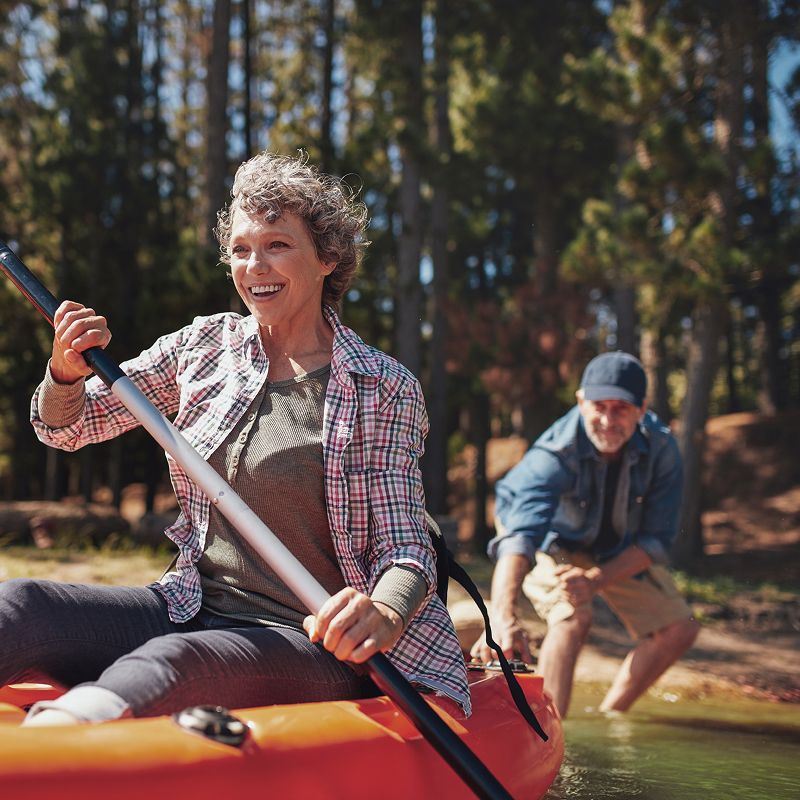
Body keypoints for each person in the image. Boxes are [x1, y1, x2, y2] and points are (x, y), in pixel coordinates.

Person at [0, 151, 470, 726]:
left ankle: (57, 743)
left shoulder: (381, 385)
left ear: (327, 259)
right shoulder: (206, 347)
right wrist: (66, 374)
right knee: (21, 605)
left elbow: (406, 548)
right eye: (242, 250)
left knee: (178, 659)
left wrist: (385, 613)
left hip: (312, 642)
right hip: (190, 606)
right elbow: (69, 427)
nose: (255, 267)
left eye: (277, 245)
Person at [471, 352, 700, 718]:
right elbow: (520, 537)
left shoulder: (662, 448)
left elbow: (655, 540)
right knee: (572, 615)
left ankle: (611, 717)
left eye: (621, 409)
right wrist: (502, 618)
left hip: (612, 546)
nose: (608, 420)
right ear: (580, 402)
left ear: (641, 410)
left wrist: (594, 580)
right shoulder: (556, 451)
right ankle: (547, 730)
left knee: (679, 628)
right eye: (599, 406)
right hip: (548, 537)